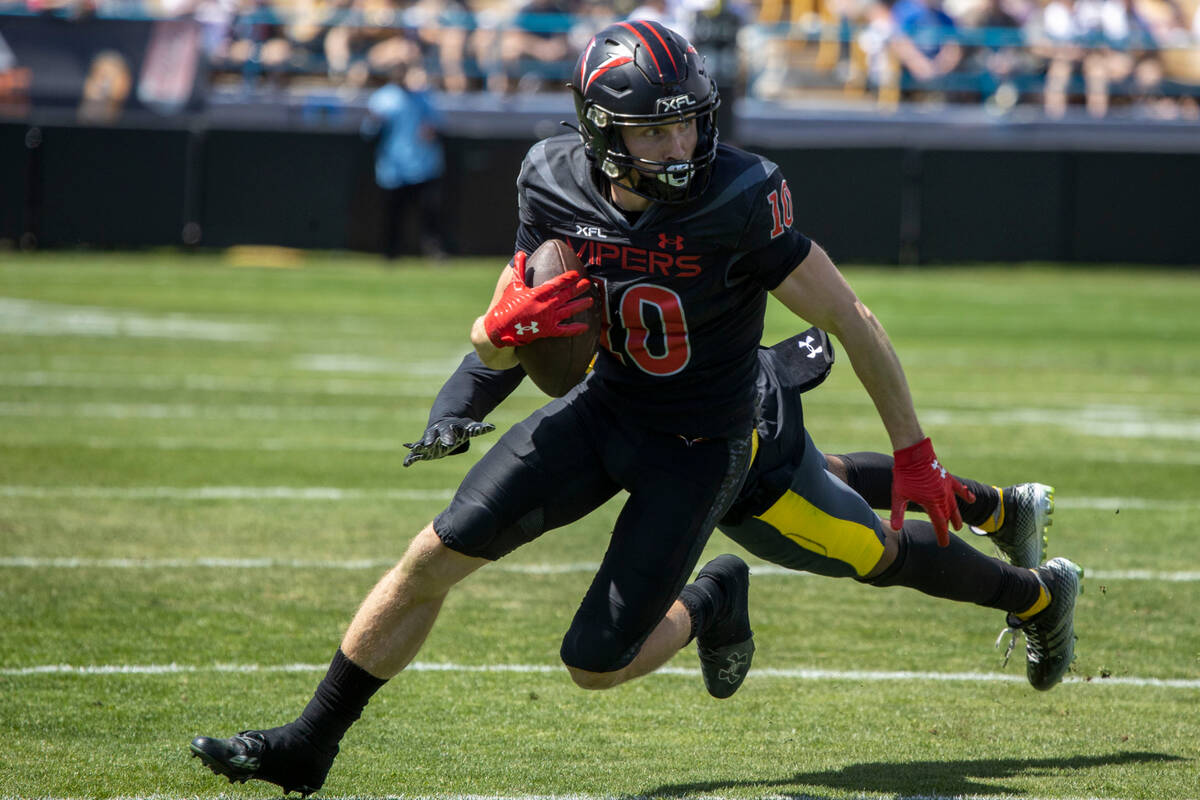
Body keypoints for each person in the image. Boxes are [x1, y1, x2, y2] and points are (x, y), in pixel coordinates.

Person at [189, 21, 1079, 796]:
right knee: (431, 557)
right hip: (606, 406)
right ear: (603, 132)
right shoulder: (552, 179)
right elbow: (527, 315)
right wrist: (475, 376)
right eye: (655, 131)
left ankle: (738, 595)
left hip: (705, 440)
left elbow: (850, 317)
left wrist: (917, 453)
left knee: (601, 661)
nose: (679, 143)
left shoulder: (740, 195)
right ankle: (310, 745)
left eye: (689, 120)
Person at [402, 326, 1074, 674]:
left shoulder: (654, 216)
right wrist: (453, 409)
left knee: (871, 549)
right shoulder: (589, 228)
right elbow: (511, 336)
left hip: (729, 434)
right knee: (832, 472)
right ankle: (1001, 509)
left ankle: (1039, 596)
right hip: (718, 402)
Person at [362, 62, 447, 259]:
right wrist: (376, 122)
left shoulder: (425, 97)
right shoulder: (384, 98)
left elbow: (439, 123)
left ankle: (433, 250)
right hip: (394, 166)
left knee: (429, 211)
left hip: (424, 164)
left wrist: (432, 130)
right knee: (393, 213)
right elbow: (368, 130)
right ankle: (390, 251)